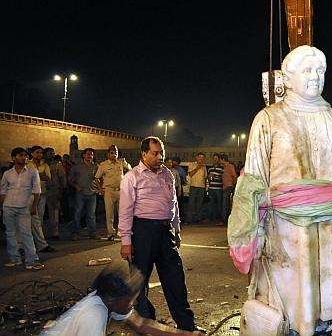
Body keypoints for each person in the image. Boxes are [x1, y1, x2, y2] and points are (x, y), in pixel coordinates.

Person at [227, 45, 332, 336]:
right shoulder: (268, 118)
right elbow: (252, 181)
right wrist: (253, 232)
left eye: (321, 71)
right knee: (289, 308)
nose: (315, 76)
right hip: (284, 230)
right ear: (287, 79)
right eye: (307, 70)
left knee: (326, 307)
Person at [119, 136, 197, 331]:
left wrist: (176, 229)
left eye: (162, 152)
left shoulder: (167, 175)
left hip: (165, 232)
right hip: (142, 232)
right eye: (155, 153)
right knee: (139, 283)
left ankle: (187, 326)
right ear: (143, 154)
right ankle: (148, 325)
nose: (160, 157)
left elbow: (174, 204)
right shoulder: (132, 177)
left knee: (176, 279)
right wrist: (126, 241)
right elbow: (125, 210)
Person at [40, 263, 203, 336]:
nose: (134, 304)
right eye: (129, 300)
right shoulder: (94, 315)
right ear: (112, 299)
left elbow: (141, 324)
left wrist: (185, 335)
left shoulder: (108, 301)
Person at [0, 147, 45, 270]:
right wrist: (2, 207)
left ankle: (32, 260)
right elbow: (3, 191)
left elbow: (37, 191)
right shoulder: (7, 173)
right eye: (21, 155)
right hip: (8, 206)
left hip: (24, 207)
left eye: (25, 155)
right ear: (14, 158)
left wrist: (34, 207)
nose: (24, 157)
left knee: (26, 234)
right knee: (10, 233)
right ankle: (15, 258)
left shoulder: (32, 172)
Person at [95, 145, 132, 241]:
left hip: (121, 190)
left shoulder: (121, 162)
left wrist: (125, 163)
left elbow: (131, 171)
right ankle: (110, 233)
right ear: (108, 154)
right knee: (110, 213)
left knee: (123, 213)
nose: (114, 154)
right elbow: (97, 177)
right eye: (112, 152)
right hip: (109, 191)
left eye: (115, 152)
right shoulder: (103, 165)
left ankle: (122, 232)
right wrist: (101, 190)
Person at [27, 145, 56, 252]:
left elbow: (47, 177)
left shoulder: (45, 165)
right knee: (28, 220)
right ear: (32, 153)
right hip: (29, 195)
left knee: (39, 219)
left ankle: (39, 243)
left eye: (41, 153)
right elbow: (28, 178)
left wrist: (35, 175)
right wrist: (39, 175)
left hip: (41, 194)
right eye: (37, 152)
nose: (39, 154)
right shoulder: (28, 164)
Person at [68, 148, 99, 240]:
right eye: (88, 154)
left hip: (92, 193)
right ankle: (75, 233)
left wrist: (99, 188)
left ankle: (92, 233)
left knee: (91, 214)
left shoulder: (96, 167)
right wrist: (75, 185)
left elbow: (100, 178)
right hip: (80, 193)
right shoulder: (77, 167)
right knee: (77, 213)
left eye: (91, 154)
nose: (89, 156)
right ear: (83, 155)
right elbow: (69, 179)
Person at [44, 147, 66, 239]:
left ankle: (55, 232)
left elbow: (62, 177)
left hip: (53, 190)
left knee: (54, 212)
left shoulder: (57, 165)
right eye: (50, 153)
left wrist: (62, 189)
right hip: (42, 190)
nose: (52, 155)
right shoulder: (42, 165)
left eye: (53, 153)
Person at [187, 152, 207, 224]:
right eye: (200, 157)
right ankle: (189, 220)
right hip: (193, 186)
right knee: (191, 203)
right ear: (196, 157)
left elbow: (205, 177)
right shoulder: (192, 164)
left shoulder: (204, 167)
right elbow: (190, 174)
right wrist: (198, 168)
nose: (201, 159)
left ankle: (197, 219)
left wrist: (205, 188)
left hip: (201, 187)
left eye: (202, 158)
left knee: (199, 204)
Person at [219, 153, 237, 224]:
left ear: (223, 160)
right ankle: (225, 219)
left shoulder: (230, 166)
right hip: (225, 187)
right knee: (225, 204)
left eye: (220, 160)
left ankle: (224, 220)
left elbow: (234, 176)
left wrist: (233, 185)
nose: (220, 161)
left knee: (225, 204)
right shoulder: (224, 167)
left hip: (228, 187)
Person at [206, 153, 223, 222]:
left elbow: (223, 177)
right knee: (211, 203)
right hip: (211, 188)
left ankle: (219, 218)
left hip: (218, 188)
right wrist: (210, 177)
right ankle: (210, 218)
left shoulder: (221, 168)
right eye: (214, 158)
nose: (215, 160)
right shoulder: (210, 168)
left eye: (216, 158)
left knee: (219, 203)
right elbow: (208, 177)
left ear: (219, 159)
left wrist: (216, 176)